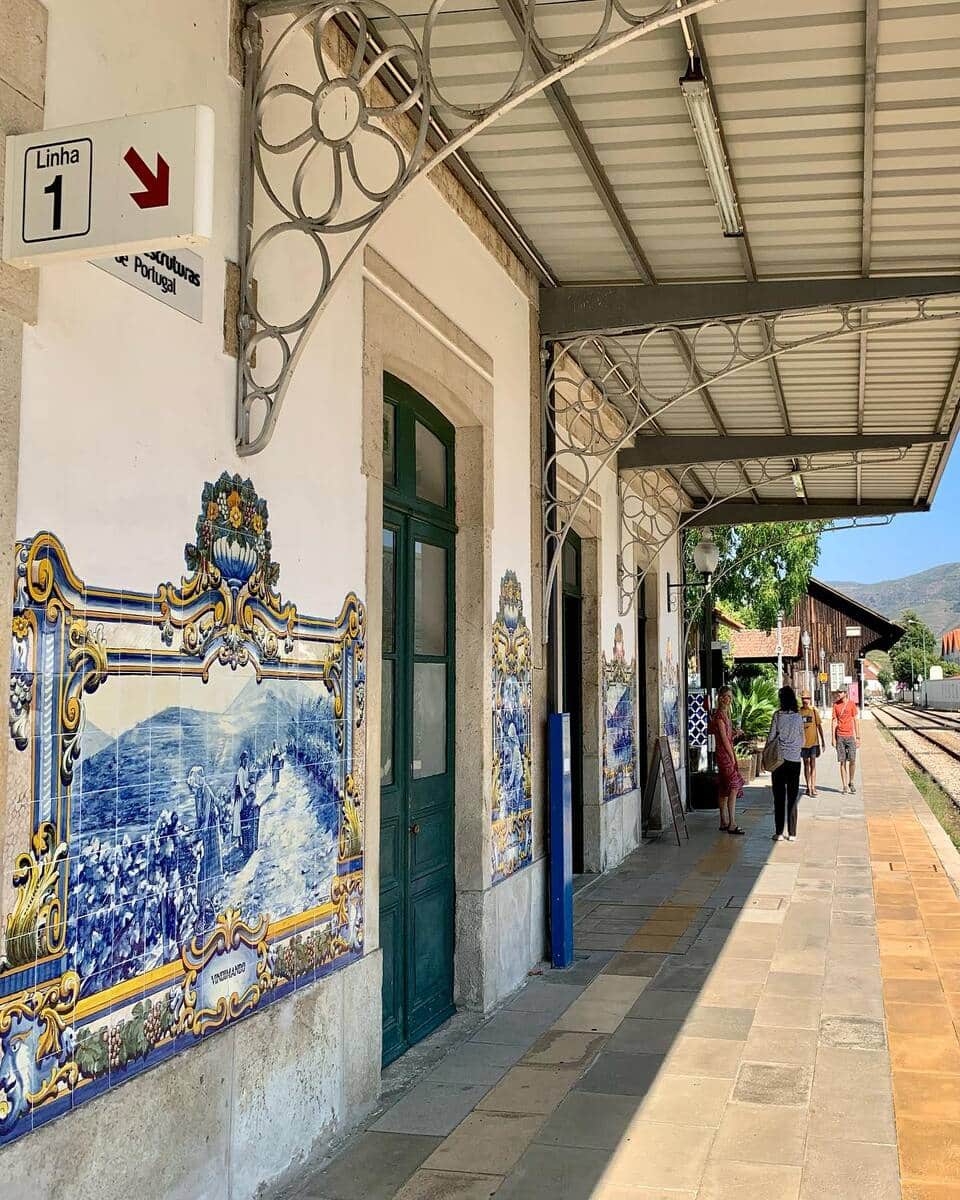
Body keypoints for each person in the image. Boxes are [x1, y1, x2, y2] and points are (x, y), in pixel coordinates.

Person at [766, 685, 804, 842]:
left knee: (779, 797)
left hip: (779, 761)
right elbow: (803, 740)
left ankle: (779, 832)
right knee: (793, 796)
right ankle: (793, 833)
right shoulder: (798, 716)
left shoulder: (777, 716)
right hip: (794, 760)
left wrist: (766, 752)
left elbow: (770, 737)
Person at [708, 686, 745, 835]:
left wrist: (735, 734)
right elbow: (723, 739)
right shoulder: (720, 716)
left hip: (726, 752)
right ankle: (732, 822)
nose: (728, 699)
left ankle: (724, 820)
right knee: (733, 786)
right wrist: (732, 757)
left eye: (730, 696)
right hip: (724, 755)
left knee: (724, 787)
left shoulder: (725, 715)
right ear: (721, 698)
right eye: (726, 696)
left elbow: (727, 736)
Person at [831, 686, 861, 794]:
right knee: (842, 761)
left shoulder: (852, 704)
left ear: (845, 693)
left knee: (852, 760)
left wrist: (858, 737)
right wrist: (833, 738)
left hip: (850, 736)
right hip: (840, 736)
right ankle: (844, 785)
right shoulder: (835, 705)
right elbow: (834, 722)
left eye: (840, 692)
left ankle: (851, 782)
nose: (838, 694)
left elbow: (856, 720)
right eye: (838, 692)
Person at [799, 692, 825, 797]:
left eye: (807, 698)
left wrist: (823, 741)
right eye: (803, 698)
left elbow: (819, 726)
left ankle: (813, 787)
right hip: (803, 744)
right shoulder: (799, 712)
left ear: (810, 699)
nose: (805, 700)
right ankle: (808, 786)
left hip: (814, 742)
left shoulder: (814, 711)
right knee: (806, 764)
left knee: (813, 764)